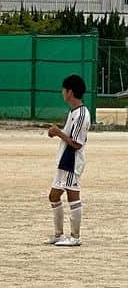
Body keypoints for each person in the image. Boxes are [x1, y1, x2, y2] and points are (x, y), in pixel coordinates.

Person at [47, 74, 90, 248]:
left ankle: (75, 236)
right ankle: (59, 234)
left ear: (70, 92)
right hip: (64, 159)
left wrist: (58, 132)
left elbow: (77, 143)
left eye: (64, 90)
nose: (62, 93)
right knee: (54, 195)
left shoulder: (81, 114)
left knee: (73, 195)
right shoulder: (73, 112)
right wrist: (58, 131)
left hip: (72, 160)